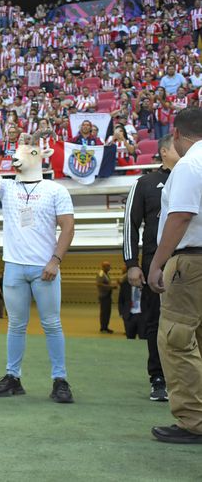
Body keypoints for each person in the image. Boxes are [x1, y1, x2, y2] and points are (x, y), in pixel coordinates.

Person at [0, 129, 75, 404]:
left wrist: (55, 260)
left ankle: (60, 380)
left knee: (52, 324)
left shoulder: (56, 190)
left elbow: (67, 227)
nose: (20, 152)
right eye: (19, 147)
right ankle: (12, 377)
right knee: (16, 325)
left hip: (45, 268)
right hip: (14, 268)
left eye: (28, 148)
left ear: (41, 155)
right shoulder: (7, 187)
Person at [147, 107, 202, 444]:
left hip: (190, 262)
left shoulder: (188, 165)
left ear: (178, 135)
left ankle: (194, 422)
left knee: (177, 340)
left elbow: (180, 216)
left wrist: (157, 262)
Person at [122, 134, 180, 402]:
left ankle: (188, 377)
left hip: (190, 260)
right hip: (155, 262)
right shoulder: (144, 184)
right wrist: (132, 264)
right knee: (155, 321)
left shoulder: (194, 178)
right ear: (165, 151)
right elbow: (130, 226)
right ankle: (158, 377)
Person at [118, 267, 143, 340]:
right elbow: (121, 300)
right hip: (129, 316)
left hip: (142, 316)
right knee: (130, 338)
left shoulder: (146, 285)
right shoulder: (125, 285)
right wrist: (122, 313)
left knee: (143, 338)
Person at [96, 261, 117, 334]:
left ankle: (106, 326)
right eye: (108, 266)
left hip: (107, 295)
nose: (109, 268)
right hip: (104, 296)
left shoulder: (106, 274)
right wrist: (111, 287)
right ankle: (103, 327)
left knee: (107, 312)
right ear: (104, 267)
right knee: (104, 312)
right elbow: (99, 284)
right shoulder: (101, 274)